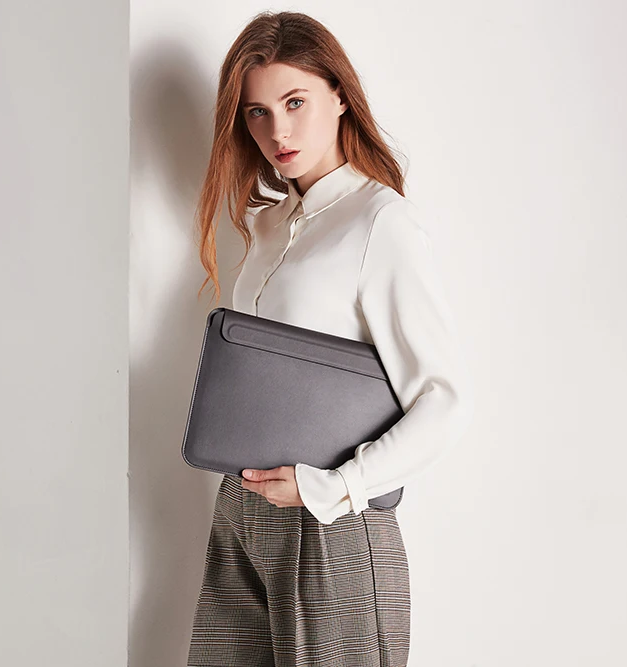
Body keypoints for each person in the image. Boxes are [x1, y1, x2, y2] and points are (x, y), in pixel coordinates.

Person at [187, 10, 473, 667]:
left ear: (339, 96)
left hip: (332, 526)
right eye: (258, 113)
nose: (278, 131)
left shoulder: (380, 221)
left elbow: (444, 399)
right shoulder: (267, 227)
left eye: (295, 102)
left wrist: (334, 486)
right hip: (242, 510)